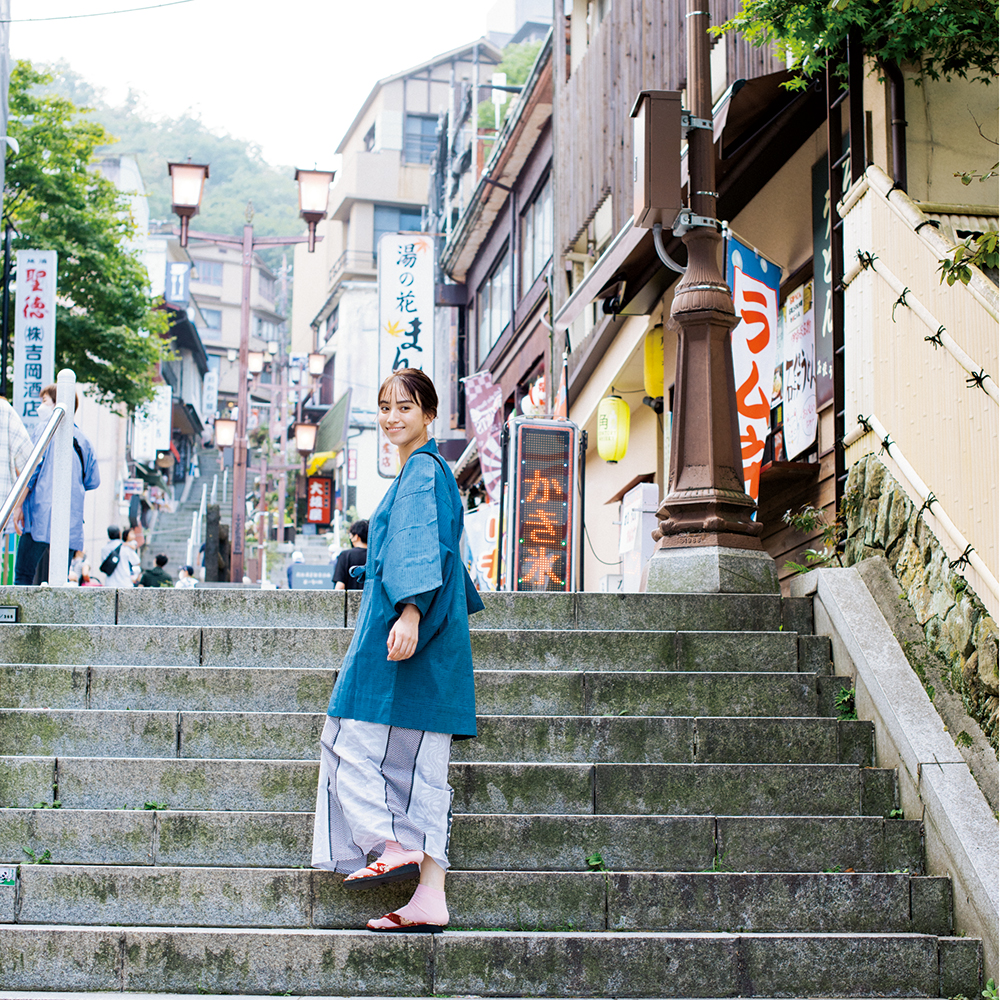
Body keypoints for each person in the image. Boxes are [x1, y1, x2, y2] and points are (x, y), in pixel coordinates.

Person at [312, 368, 483, 934]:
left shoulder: (420, 472)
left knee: (344, 737)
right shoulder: (430, 472)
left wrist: (409, 611)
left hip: (407, 636)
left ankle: (388, 840)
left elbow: (419, 547)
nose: (392, 417)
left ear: (429, 414)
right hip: (434, 641)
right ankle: (430, 896)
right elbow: (436, 552)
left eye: (405, 407)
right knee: (427, 772)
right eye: (385, 406)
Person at [13, 384, 100, 584]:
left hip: (39, 513)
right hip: (71, 518)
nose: (40, 406)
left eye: (44, 401)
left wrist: (18, 506)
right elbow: (92, 481)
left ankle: (20, 616)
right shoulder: (84, 441)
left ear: (58, 403)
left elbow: (31, 471)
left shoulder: (43, 430)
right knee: (60, 581)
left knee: (24, 575)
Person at [332, 519, 369, 591]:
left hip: (350, 601)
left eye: (350, 535)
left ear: (356, 537)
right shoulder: (376, 557)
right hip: (371, 601)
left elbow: (340, 586)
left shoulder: (345, 555)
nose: (350, 538)